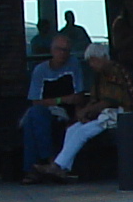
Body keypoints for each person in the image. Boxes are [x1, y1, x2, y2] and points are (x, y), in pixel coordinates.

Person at [40, 43, 133, 182]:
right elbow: (95, 99)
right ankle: (64, 169)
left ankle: (57, 165)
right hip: (103, 114)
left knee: (82, 132)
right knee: (72, 129)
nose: (91, 64)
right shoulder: (99, 75)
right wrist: (85, 114)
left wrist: (87, 111)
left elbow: (110, 101)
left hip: (120, 114)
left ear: (103, 57)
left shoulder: (114, 71)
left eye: (93, 60)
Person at [18, 27, 88, 177]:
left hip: (65, 113)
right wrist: (61, 99)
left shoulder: (73, 64)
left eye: (66, 50)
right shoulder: (40, 70)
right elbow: (35, 101)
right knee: (35, 114)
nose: (62, 53)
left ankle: (32, 170)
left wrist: (77, 114)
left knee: (32, 118)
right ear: (52, 50)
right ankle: (52, 162)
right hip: (47, 111)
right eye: (59, 49)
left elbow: (79, 96)